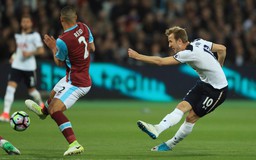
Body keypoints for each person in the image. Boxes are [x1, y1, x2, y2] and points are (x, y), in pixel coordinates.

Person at [128, 26, 228, 151]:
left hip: (218, 91)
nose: (169, 45)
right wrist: (220, 66)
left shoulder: (188, 53)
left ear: (180, 41)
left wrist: (138, 56)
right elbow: (222, 49)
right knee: (181, 107)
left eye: (171, 41)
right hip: (204, 83)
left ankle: (170, 144)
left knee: (191, 117)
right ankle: (157, 128)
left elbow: (160, 62)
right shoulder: (199, 41)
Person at [25, 5, 95, 156]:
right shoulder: (84, 27)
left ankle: (74, 144)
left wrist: (52, 47)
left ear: (61, 19)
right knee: (52, 94)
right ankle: (42, 112)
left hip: (77, 83)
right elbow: (92, 48)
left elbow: (58, 62)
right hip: (75, 76)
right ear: (75, 17)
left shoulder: (62, 41)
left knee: (55, 110)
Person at [0, 15, 45, 122]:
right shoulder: (18, 35)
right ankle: (6, 113)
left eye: (27, 21)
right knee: (10, 88)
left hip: (29, 67)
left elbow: (41, 50)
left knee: (32, 91)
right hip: (17, 66)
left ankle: (41, 104)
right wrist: (14, 56)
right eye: (23, 21)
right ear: (21, 23)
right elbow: (19, 49)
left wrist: (30, 53)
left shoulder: (35, 35)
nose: (25, 23)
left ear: (31, 23)